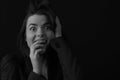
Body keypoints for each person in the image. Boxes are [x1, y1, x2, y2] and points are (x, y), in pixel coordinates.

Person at [0, 0, 80, 80]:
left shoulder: (61, 64)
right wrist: (36, 71)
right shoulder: (13, 65)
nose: (40, 33)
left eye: (47, 27)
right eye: (33, 28)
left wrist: (59, 38)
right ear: (25, 37)